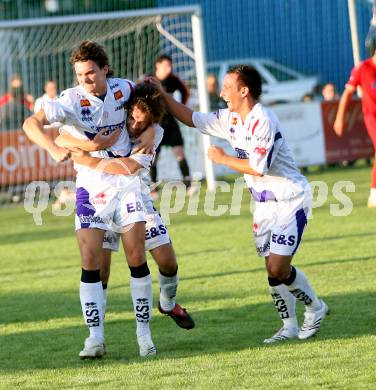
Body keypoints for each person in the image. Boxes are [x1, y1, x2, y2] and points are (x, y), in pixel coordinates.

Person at [149, 65, 329, 343]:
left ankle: (315, 307)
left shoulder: (263, 120)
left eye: (227, 87)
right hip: (264, 205)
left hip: (290, 199)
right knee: (271, 267)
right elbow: (191, 118)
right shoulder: (231, 118)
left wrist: (222, 159)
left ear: (244, 91)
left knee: (279, 268)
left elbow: (258, 168)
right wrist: (162, 94)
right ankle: (288, 325)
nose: (222, 93)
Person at [23, 41, 157, 359]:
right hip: (90, 185)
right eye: (80, 74)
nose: (85, 79)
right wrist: (56, 148)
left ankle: (144, 334)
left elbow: (153, 103)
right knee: (90, 259)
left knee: (137, 255)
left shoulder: (124, 89)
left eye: (91, 73)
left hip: (126, 182)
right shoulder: (70, 99)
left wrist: (152, 131)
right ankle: (95, 338)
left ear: (105, 69)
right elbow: (31, 124)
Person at [56, 83, 195, 331]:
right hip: (101, 198)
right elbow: (61, 135)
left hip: (136, 197)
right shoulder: (113, 115)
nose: (134, 126)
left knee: (168, 262)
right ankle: (97, 332)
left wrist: (88, 160)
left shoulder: (154, 134)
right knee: (101, 269)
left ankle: (167, 302)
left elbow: (130, 168)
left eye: (142, 123)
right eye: (132, 118)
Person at [334, 32, 376, 207]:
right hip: (372, 117)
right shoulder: (362, 68)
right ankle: (374, 193)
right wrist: (339, 118)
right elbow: (347, 94)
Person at [151, 54, 195, 197]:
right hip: (155, 123)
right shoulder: (149, 79)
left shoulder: (174, 80)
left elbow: (185, 92)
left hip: (170, 122)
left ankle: (189, 185)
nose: (169, 69)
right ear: (158, 66)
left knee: (179, 153)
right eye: (166, 66)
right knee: (153, 157)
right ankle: (153, 188)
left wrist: (181, 106)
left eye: (170, 65)